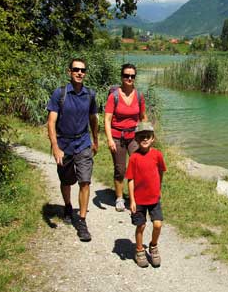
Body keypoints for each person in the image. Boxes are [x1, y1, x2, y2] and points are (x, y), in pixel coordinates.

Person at [46, 58, 99, 242]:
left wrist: (95, 140)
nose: (79, 73)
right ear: (69, 71)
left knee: (85, 181)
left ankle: (82, 221)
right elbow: (51, 122)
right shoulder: (60, 94)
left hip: (83, 143)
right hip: (64, 144)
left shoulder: (90, 95)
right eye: (76, 69)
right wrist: (55, 147)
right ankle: (68, 206)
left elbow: (93, 119)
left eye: (83, 70)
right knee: (66, 181)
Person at [104, 63, 147, 212]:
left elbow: (143, 117)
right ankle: (120, 198)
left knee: (138, 166)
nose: (129, 78)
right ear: (121, 77)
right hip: (117, 136)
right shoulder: (114, 96)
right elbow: (107, 119)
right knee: (120, 169)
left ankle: (136, 197)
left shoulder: (139, 95)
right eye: (126, 75)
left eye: (132, 76)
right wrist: (110, 139)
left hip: (134, 137)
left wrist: (146, 135)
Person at [126, 121, 166, 268]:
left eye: (147, 136)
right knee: (141, 226)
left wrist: (159, 187)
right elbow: (130, 179)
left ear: (152, 138)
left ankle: (153, 246)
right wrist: (132, 200)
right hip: (139, 200)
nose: (144, 139)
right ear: (136, 139)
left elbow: (161, 171)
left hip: (154, 198)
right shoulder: (134, 158)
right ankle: (139, 250)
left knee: (157, 224)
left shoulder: (157, 155)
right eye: (141, 136)